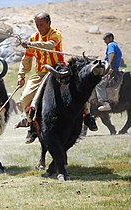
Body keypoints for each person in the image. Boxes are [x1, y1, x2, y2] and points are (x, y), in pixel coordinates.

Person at [15, 12, 97, 143]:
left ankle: (87, 116)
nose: (39, 27)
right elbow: (27, 59)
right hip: (41, 72)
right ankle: (32, 126)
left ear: (49, 23)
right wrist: (21, 75)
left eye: (42, 24)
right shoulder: (33, 37)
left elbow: (50, 45)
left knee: (77, 90)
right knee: (25, 98)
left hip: (58, 70)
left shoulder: (55, 34)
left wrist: (32, 44)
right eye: (37, 25)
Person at [95, 32, 122, 111]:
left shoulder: (111, 45)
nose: (105, 41)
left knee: (99, 84)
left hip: (111, 68)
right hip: (115, 68)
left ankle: (105, 103)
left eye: (106, 39)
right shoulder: (116, 45)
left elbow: (111, 54)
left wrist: (110, 67)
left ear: (110, 38)